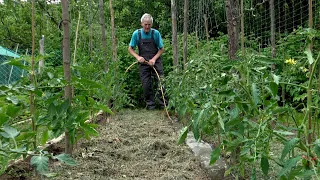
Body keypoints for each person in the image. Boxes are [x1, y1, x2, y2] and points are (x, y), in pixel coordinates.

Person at [128, 13, 167, 110]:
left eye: (149, 24)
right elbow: (130, 49)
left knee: (161, 82)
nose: (147, 26)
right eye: (145, 24)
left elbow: (161, 49)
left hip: (155, 60)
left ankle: (163, 105)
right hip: (143, 61)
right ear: (141, 24)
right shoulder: (136, 34)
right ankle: (151, 105)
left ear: (151, 24)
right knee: (146, 84)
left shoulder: (155, 33)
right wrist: (138, 57)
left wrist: (154, 59)